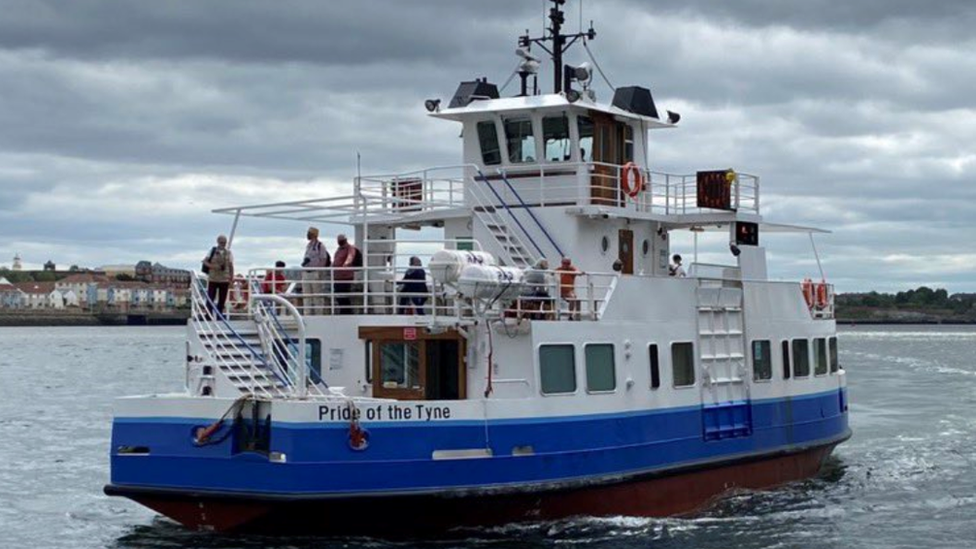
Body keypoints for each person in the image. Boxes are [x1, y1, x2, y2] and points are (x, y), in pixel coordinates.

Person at [202, 234, 233, 316]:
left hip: (224, 279)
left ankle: (220, 314)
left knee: (222, 298)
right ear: (218, 242)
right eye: (221, 242)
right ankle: (208, 314)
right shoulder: (212, 251)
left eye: (224, 242)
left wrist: (231, 279)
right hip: (213, 278)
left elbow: (231, 266)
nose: (223, 244)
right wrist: (213, 266)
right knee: (210, 297)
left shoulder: (229, 253)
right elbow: (204, 261)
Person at [302, 227, 330, 315]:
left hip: (315, 273)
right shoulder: (308, 245)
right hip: (306, 272)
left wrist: (319, 271)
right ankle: (307, 313)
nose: (307, 234)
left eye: (309, 233)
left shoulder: (320, 246)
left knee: (317, 294)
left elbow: (323, 259)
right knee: (306, 295)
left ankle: (319, 313)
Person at [332, 234, 360, 314]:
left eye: (340, 240)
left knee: (344, 295)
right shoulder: (339, 249)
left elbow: (350, 257)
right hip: (337, 277)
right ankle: (343, 310)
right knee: (338, 295)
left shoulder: (350, 248)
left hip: (345, 277)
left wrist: (346, 264)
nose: (339, 242)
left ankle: (347, 311)